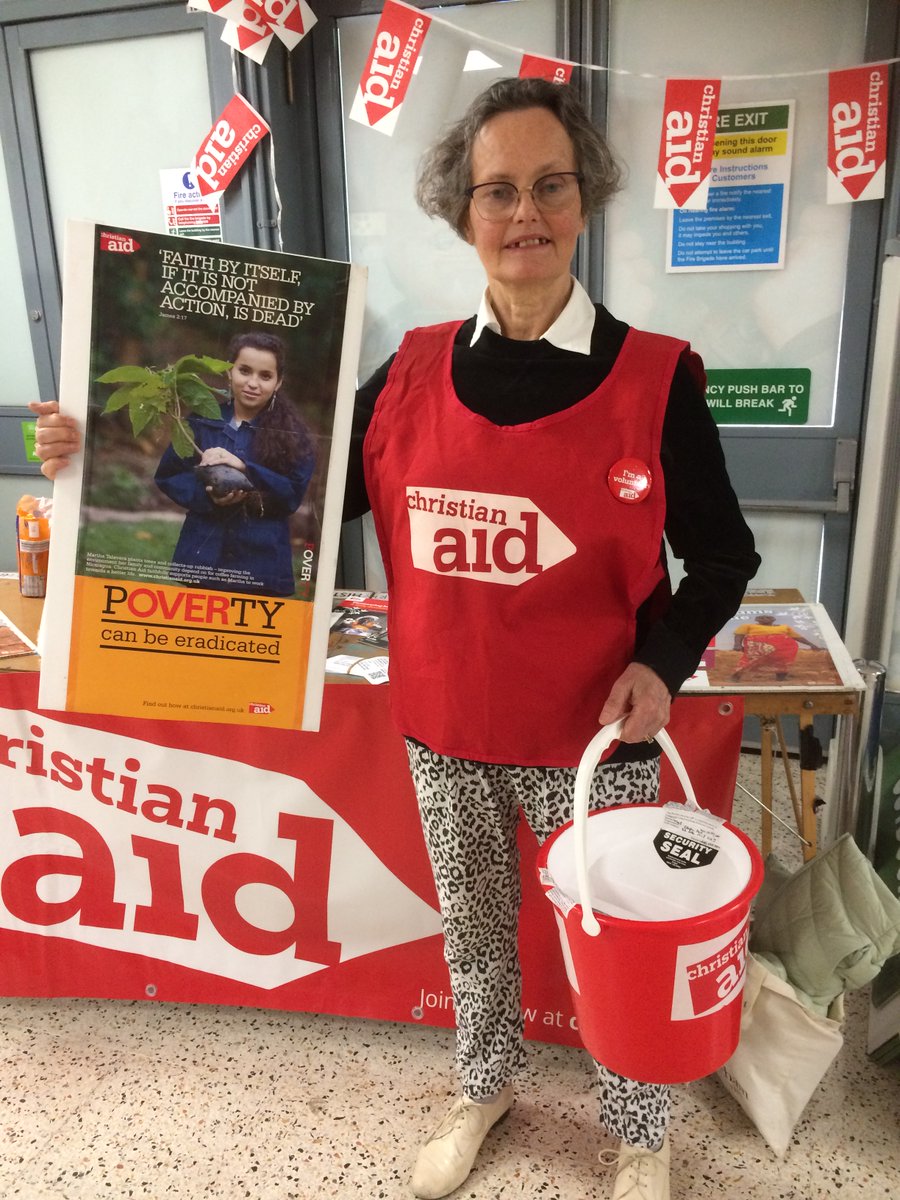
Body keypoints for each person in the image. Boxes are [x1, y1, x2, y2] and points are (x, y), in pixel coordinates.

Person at [35, 78, 760, 1200]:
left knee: (615, 944)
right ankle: (486, 1083)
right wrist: (91, 455)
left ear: (586, 199)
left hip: (594, 741)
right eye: (498, 191)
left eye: (550, 186)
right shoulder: (411, 373)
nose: (525, 213)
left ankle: (637, 1128)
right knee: (474, 931)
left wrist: (659, 664)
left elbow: (722, 558)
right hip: (446, 723)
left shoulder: (656, 378)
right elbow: (294, 507)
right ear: (461, 211)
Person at [152, 331, 316, 596]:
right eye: (245, 371)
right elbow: (169, 475)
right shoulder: (201, 420)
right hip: (204, 556)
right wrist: (208, 499)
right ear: (229, 372)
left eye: (265, 376)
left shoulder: (293, 436)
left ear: (279, 382)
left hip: (260, 561)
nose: (253, 383)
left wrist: (245, 468)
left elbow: (292, 494)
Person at [731, 612, 822, 680]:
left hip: (782, 648)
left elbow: (797, 637)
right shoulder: (748, 626)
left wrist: (812, 645)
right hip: (759, 645)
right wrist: (737, 644)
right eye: (762, 617)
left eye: (768, 617)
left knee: (783, 662)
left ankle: (781, 678)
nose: (765, 618)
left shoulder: (784, 627)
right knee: (750, 660)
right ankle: (735, 677)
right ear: (757, 619)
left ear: (773, 619)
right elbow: (739, 634)